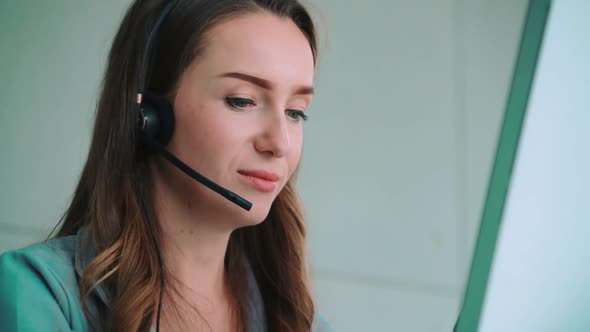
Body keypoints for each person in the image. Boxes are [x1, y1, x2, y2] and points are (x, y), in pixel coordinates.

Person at [0, 0, 334, 331]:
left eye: (296, 112)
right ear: (149, 117)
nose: (280, 143)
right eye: (242, 100)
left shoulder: (299, 322)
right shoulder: (39, 295)